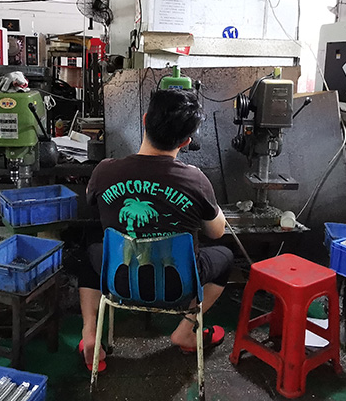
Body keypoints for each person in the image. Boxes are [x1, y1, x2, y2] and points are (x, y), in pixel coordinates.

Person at [78, 89, 233, 372]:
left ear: (145, 120)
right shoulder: (195, 179)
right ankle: (185, 330)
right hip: (178, 285)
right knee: (226, 257)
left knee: (90, 250)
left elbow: (92, 202)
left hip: (118, 278)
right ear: (186, 141)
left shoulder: (104, 170)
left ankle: (90, 334)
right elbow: (216, 233)